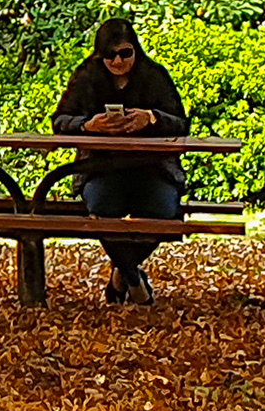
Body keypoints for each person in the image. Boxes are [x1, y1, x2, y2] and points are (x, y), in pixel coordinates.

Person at [52, 16, 189, 305]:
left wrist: (150, 118)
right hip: (99, 168)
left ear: (135, 51)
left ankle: (122, 273)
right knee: (102, 211)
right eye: (109, 55)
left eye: (125, 53)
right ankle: (133, 278)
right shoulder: (86, 77)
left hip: (152, 169)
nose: (118, 61)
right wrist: (88, 125)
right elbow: (59, 120)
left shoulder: (154, 76)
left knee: (164, 213)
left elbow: (180, 123)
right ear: (99, 55)